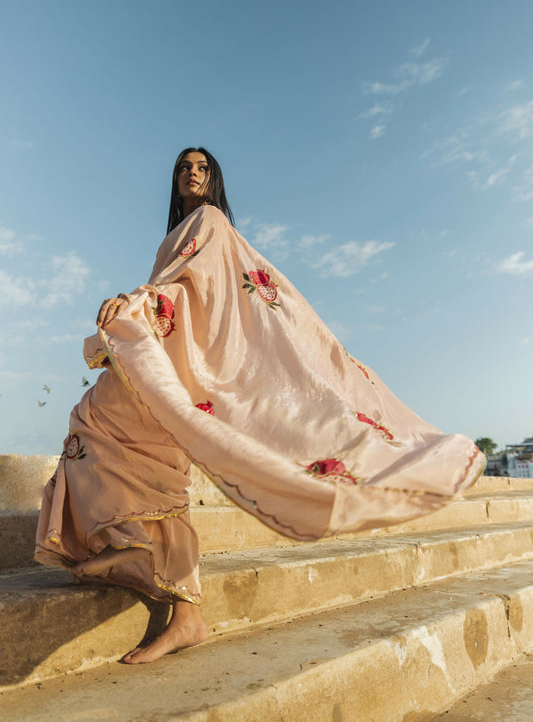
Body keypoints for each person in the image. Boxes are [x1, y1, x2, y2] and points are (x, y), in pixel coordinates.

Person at [35, 147, 486, 665]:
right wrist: (140, 303)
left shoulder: (210, 221)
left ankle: (173, 598)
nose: (192, 174)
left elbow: (192, 290)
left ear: (215, 180)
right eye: (184, 167)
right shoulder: (177, 236)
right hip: (162, 350)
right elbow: (177, 289)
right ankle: (176, 602)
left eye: (203, 168)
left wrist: (132, 302)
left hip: (175, 361)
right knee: (122, 449)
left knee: (96, 429)